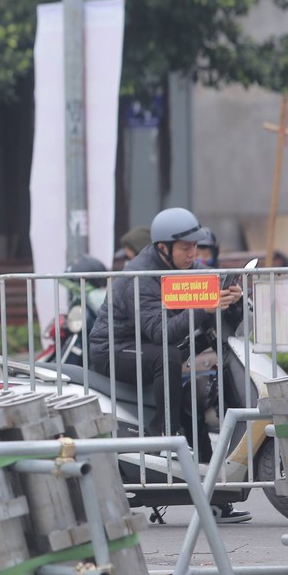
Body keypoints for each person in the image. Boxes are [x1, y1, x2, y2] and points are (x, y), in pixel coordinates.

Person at [87, 207, 249, 522]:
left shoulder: (188, 267)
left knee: (191, 398)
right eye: (186, 248)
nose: (194, 253)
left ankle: (214, 495)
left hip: (149, 347)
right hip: (114, 350)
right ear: (163, 247)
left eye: (196, 246)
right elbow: (160, 333)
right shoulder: (140, 276)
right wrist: (205, 307)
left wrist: (233, 301)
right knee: (169, 356)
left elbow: (217, 319)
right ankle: (165, 435)